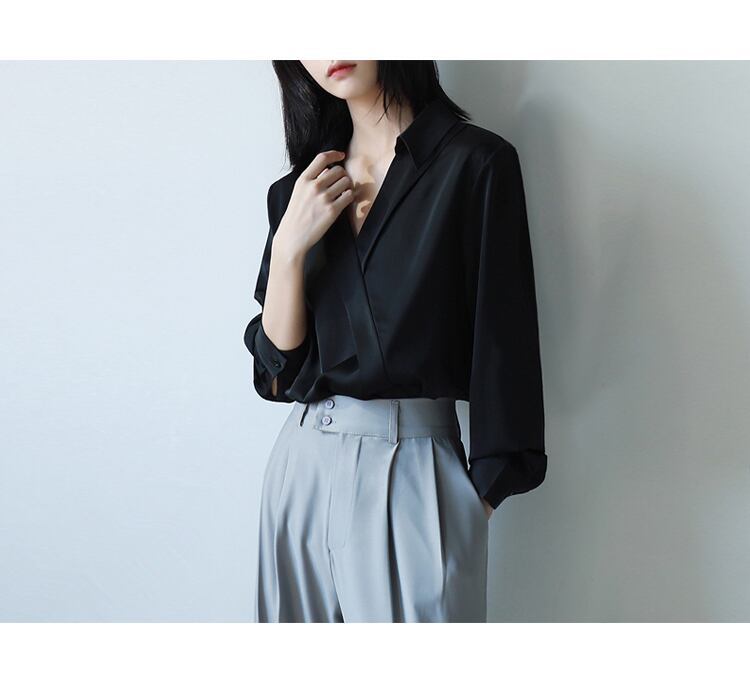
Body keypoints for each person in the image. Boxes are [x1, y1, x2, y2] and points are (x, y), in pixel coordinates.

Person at [244, 60, 547, 622]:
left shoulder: (474, 163)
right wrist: (288, 250)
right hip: (301, 468)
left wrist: (474, 500)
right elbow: (277, 374)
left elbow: (505, 344)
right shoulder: (300, 191)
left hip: (414, 468)